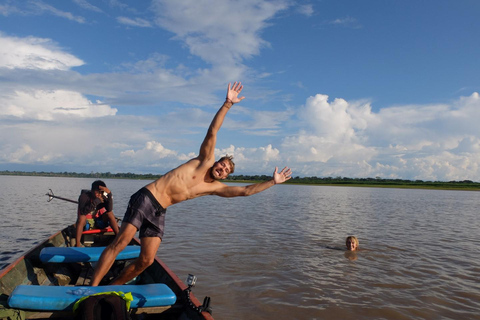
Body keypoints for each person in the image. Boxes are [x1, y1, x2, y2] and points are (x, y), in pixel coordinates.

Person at [91, 82, 292, 286]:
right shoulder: (204, 160)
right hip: (147, 197)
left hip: (160, 210)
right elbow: (213, 131)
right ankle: (92, 288)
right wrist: (227, 104)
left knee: (147, 260)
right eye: (221, 164)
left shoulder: (216, 188)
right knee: (121, 242)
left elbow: (246, 191)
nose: (221, 169)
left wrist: (272, 182)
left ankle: (111, 287)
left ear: (224, 177)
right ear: (216, 162)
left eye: (225, 171)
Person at [75, 180, 120, 247]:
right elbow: (82, 212)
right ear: (92, 191)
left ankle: (119, 238)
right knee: (82, 217)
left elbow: (109, 210)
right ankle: (77, 243)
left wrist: (109, 195)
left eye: (101, 192)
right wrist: (96, 202)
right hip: (86, 224)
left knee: (110, 214)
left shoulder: (104, 197)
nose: (99, 194)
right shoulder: (84, 197)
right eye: (97, 192)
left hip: (99, 222)